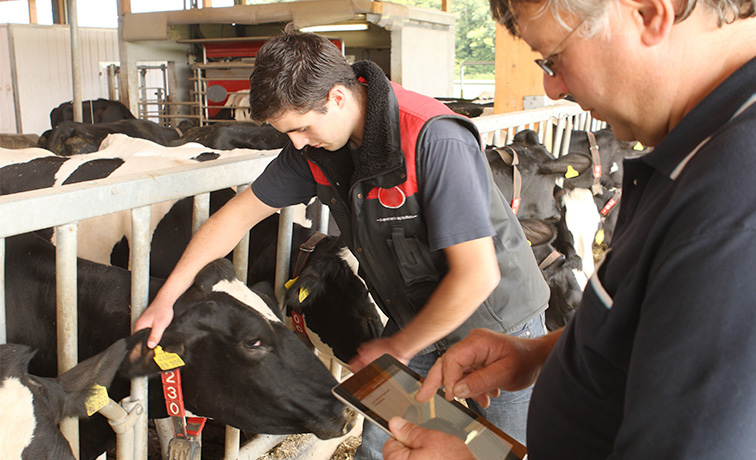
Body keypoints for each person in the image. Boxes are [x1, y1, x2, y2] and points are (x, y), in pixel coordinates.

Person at [133, 24, 550, 457]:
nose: (295, 142)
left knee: (509, 449)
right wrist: (166, 298)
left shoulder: (432, 138)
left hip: (498, 323)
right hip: (416, 318)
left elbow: (477, 274)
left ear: (336, 96)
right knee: (381, 446)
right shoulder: (312, 149)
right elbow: (233, 219)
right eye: (286, 133)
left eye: (301, 128)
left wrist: (397, 348)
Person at [382, 0, 756, 458]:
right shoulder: (709, 145)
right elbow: (663, 320)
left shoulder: (734, 207)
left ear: (647, 13)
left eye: (554, 59)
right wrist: (544, 353)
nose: (551, 88)